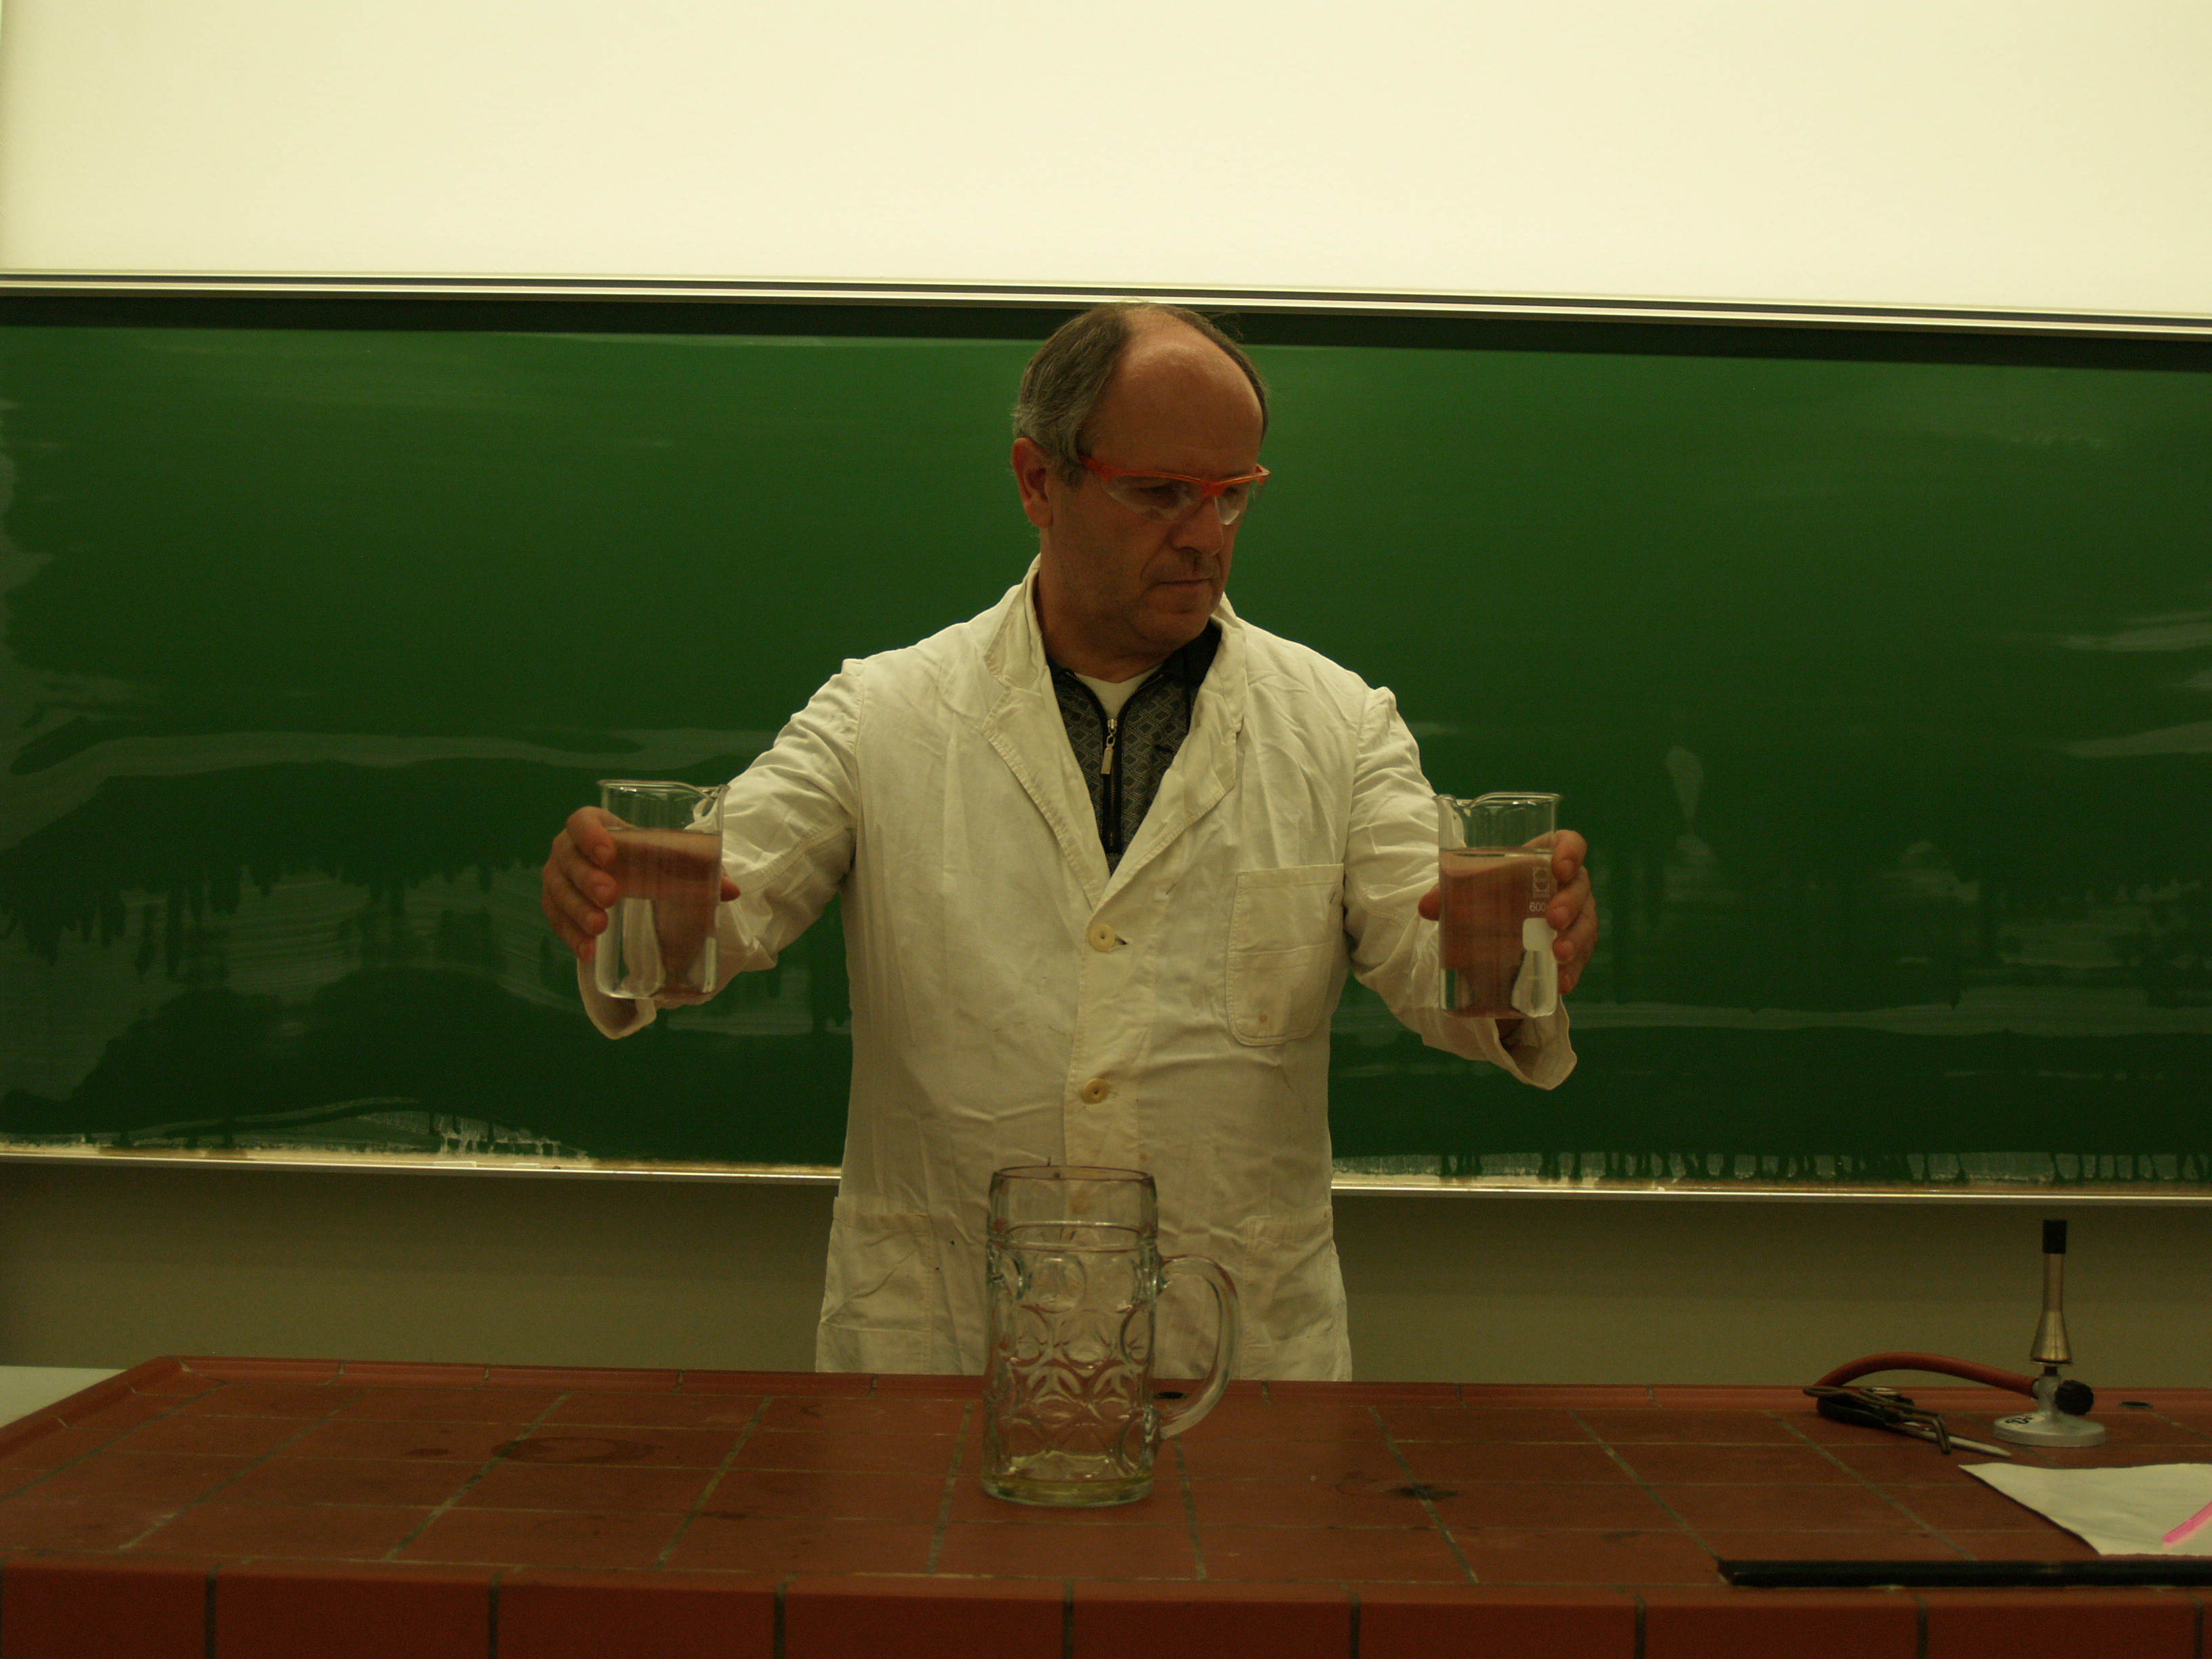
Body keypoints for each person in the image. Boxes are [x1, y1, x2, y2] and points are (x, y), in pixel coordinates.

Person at [541, 304, 1597, 1380]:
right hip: (943, 1366)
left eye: (1233, 495)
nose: (1206, 535)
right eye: (1162, 492)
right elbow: (717, 912)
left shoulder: (1339, 726)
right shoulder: (881, 716)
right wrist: (620, 896)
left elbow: (1438, 963)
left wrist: (1522, 961)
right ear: (1038, 481)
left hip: (1229, 1369)